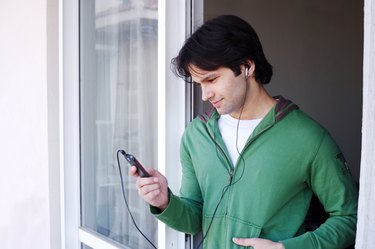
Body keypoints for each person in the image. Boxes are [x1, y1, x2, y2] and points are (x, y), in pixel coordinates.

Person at [130, 15, 358, 249]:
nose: (205, 95)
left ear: (246, 67)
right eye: (200, 84)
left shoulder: (309, 138)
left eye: (212, 79)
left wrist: (286, 248)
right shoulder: (196, 135)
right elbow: (195, 219)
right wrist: (164, 202)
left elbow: (350, 218)